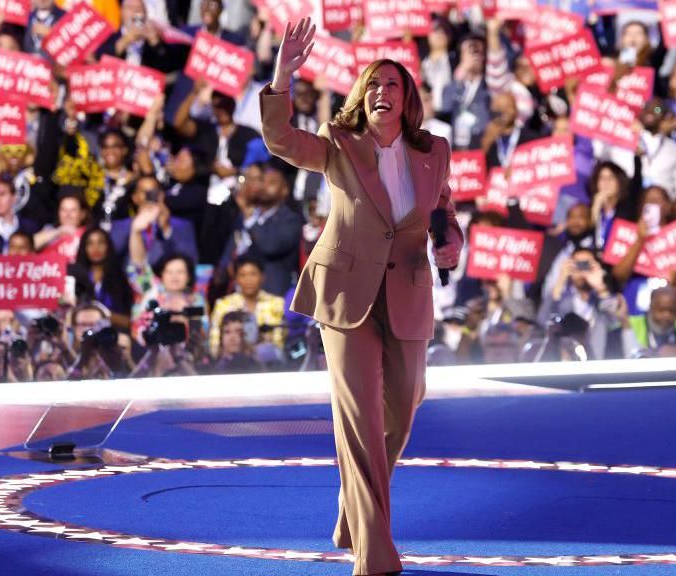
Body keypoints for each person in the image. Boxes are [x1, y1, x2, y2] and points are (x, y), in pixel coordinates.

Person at [260, 17, 462, 576]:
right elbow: (280, 140)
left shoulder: (434, 151)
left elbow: (442, 212)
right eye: (372, 85)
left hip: (408, 294)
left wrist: (451, 244)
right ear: (360, 97)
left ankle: (354, 505)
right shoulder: (337, 144)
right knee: (361, 420)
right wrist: (282, 77)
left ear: (408, 99)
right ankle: (375, 552)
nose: (381, 92)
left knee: (406, 399)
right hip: (346, 295)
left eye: (392, 85)